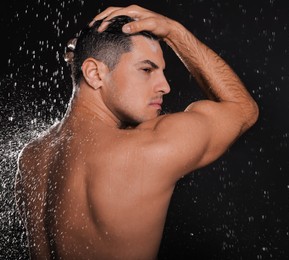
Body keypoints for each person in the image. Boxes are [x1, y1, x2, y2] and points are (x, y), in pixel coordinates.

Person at [15, 4, 259, 260]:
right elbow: (243, 110)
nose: (165, 86)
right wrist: (174, 32)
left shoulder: (31, 158)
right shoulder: (146, 150)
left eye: (161, 71)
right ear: (94, 73)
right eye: (146, 69)